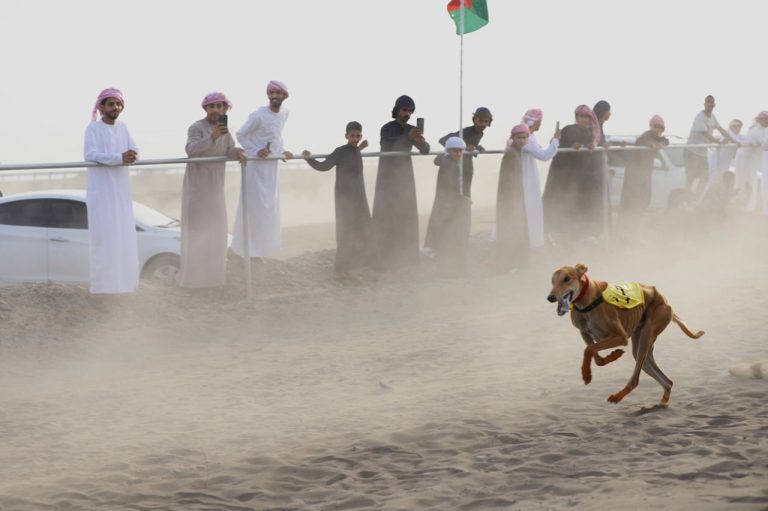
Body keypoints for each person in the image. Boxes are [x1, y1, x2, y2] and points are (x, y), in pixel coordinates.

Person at [177, 92, 245, 289]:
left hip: (216, 188)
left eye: (219, 106)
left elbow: (229, 149)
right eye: (212, 106)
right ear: (205, 108)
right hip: (197, 189)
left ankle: (215, 279)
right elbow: (191, 149)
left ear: (225, 109)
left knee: (216, 231)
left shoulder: (226, 131)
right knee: (197, 232)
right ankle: (193, 281)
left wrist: (239, 152)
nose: (216, 110)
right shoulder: (196, 127)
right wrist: (212, 137)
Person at [83, 87, 140, 294]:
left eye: (118, 104)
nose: (115, 107)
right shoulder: (93, 129)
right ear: (102, 107)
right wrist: (119, 158)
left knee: (123, 236)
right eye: (111, 104)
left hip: (121, 190)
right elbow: (90, 155)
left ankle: (125, 285)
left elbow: (135, 150)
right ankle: (103, 288)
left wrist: (132, 156)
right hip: (101, 191)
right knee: (104, 239)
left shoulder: (123, 128)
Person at [302, 121, 372, 279]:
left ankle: (352, 267)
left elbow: (352, 153)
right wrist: (309, 159)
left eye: (358, 136)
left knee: (361, 230)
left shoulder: (355, 150)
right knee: (345, 233)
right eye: (352, 136)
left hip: (359, 197)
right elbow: (324, 166)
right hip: (344, 198)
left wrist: (360, 148)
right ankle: (340, 271)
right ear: (346, 136)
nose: (355, 139)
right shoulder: (340, 151)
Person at [232, 80, 293, 260]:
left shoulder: (285, 113)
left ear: (284, 96)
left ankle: (261, 252)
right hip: (255, 168)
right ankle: (244, 252)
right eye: (271, 93)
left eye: (278, 93)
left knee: (269, 209)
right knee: (253, 209)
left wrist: (282, 152)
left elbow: (276, 136)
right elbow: (241, 134)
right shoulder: (258, 115)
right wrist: (255, 150)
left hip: (271, 167)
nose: (274, 96)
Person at [371, 95, 430, 270]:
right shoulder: (387, 128)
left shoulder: (412, 129)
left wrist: (421, 142)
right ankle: (384, 258)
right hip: (387, 178)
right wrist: (407, 137)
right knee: (386, 215)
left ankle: (407, 257)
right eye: (404, 110)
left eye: (410, 111)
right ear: (397, 110)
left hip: (405, 177)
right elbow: (387, 145)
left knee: (406, 215)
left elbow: (425, 151)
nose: (407, 114)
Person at [542, 105, 601, 242]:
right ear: (576, 117)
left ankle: (574, 238)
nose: (584, 119)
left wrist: (591, 146)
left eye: (587, 117)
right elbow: (554, 143)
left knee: (577, 207)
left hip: (580, 177)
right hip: (564, 175)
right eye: (581, 116)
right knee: (559, 205)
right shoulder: (568, 129)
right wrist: (571, 146)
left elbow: (595, 145)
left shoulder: (591, 133)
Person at [423, 136, 471, 274]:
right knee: (447, 230)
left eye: (460, 150)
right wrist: (461, 198)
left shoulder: (448, 160)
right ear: (449, 150)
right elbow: (448, 186)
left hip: (446, 202)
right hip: (447, 202)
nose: (458, 153)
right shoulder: (448, 164)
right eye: (455, 150)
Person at [520, 109, 560, 250]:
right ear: (534, 122)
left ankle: (533, 242)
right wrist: (555, 140)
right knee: (528, 208)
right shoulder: (526, 138)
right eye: (539, 122)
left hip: (530, 176)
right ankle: (529, 242)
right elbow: (544, 156)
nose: (540, 125)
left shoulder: (531, 136)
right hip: (526, 178)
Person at [618, 115, 669, 224]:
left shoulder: (658, 138)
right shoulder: (646, 135)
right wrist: (649, 144)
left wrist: (660, 144)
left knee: (644, 198)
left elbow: (666, 141)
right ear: (651, 126)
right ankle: (625, 225)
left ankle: (636, 223)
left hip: (646, 171)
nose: (658, 130)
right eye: (655, 126)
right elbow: (641, 141)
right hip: (634, 171)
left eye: (660, 128)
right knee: (631, 199)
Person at [496, 124, 533, 273]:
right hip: (511, 198)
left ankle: (516, 263)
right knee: (512, 229)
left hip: (516, 196)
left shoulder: (518, 152)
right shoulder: (511, 154)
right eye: (519, 137)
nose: (522, 140)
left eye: (524, 137)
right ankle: (510, 264)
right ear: (513, 138)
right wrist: (513, 199)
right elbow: (508, 179)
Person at [436, 107, 493, 198]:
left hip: (467, 166)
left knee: (466, 191)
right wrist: (464, 147)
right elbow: (443, 140)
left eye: (486, 121)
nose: (483, 124)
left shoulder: (480, 133)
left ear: (489, 122)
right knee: (454, 193)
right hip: (455, 166)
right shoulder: (466, 131)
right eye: (480, 121)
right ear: (474, 120)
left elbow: (470, 145)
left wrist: (477, 147)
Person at [685, 95, 731, 200]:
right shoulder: (699, 116)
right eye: (708, 102)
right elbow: (705, 133)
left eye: (711, 102)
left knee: (705, 177)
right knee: (690, 178)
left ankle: (697, 198)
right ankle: (687, 199)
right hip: (692, 151)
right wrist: (718, 142)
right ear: (704, 104)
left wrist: (727, 137)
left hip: (702, 152)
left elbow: (720, 129)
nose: (710, 104)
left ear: (714, 105)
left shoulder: (713, 117)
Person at [734, 111, 768, 211]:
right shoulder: (755, 130)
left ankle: (750, 206)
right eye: (765, 119)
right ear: (760, 120)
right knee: (742, 181)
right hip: (744, 158)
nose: (766, 121)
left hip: (753, 159)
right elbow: (764, 144)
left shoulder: (763, 129)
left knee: (752, 182)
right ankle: (741, 204)